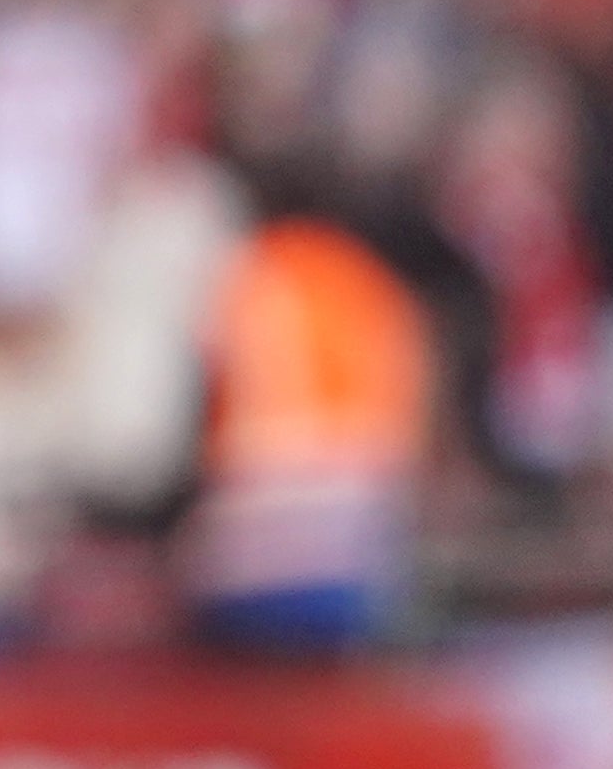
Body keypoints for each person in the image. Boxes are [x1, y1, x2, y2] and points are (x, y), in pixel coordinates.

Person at [181, 199, 437, 657]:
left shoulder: (251, 266)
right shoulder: (371, 281)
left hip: (250, 540)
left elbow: (199, 388)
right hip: (352, 544)